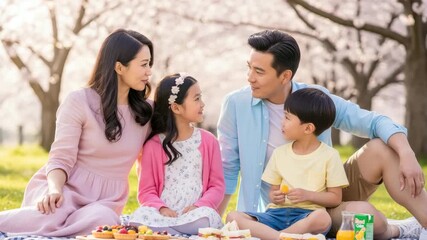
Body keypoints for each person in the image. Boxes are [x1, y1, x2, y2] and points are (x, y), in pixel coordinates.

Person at [217, 29, 427, 239]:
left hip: (326, 203)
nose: (250, 78)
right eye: (249, 68)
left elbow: (374, 122)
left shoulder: (315, 100)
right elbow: (228, 167)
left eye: (259, 72)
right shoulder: (236, 104)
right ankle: (394, 229)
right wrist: (217, 220)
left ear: (285, 76)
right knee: (368, 222)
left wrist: (407, 154)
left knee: (382, 150)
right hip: (279, 212)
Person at [0, 29, 154, 237]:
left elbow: (177, 135)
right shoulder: (79, 101)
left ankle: (52, 229)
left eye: (149, 64)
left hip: (104, 203)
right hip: (64, 190)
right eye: (143, 65)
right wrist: (55, 190)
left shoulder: (147, 112)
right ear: (119, 67)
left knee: (106, 219)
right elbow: (61, 157)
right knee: (54, 214)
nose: (149, 72)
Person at [227, 88, 349, 240]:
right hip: (275, 215)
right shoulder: (280, 153)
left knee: (323, 219)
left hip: (307, 216)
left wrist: (307, 195)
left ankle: (277, 236)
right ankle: (282, 237)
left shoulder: (330, 156)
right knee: (232, 216)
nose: (281, 122)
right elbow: (272, 193)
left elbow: (335, 198)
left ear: (308, 128)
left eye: (287, 118)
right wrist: (275, 197)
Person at [129, 73, 225, 235]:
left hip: (195, 214)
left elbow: (217, 186)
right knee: (139, 217)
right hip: (162, 214)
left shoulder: (209, 141)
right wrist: (162, 208)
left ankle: (170, 233)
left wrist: (199, 206)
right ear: (176, 107)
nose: (202, 104)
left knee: (206, 218)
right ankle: (179, 232)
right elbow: (146, 190)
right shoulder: (153, 146)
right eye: (196, 99)